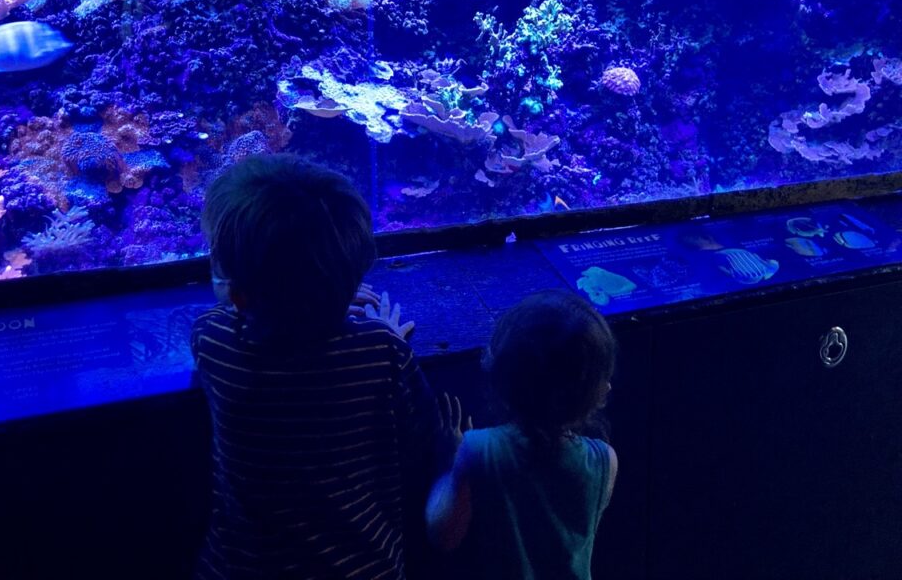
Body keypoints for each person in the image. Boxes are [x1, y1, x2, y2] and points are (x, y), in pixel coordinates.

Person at [192, 154, 450, 580]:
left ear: (236, 293)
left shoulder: (214, 341)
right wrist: (368, 326)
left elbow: (231, 309)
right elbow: (422, 436)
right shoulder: (382, 352)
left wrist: (296, 300)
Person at [426, 289, 618, 580]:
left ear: (499, 378)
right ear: (600, 392)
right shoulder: (605, 460)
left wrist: (449, 465)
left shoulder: (478, 449)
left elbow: (442, 533)